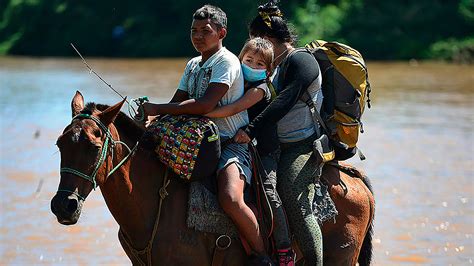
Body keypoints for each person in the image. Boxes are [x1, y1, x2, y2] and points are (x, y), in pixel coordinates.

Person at [140, 5, 268, 260]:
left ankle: (261, 254)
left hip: (230, 142)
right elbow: (177, 101)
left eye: (205, 31)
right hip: (198, 138)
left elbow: (204, 105)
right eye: (194, 30)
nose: (198, 36)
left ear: (222, 32)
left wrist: (157, 107)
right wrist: (151, 117)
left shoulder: (227, 62)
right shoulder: (193, 64)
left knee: (230, 198)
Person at [232, 2, 324, 265]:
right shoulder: (268, 64)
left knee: (293, 195)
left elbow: (282, 102)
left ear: (268, 39)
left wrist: (249, 130)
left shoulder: (301, 61)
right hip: (270, 142)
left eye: (255, 39)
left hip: (301, 145)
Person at [205, 37, 294, 266]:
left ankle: (284, 250)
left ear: (268, 69)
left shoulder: (260, 89)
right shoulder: (233, 81)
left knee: (269, 192)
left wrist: (200, 112)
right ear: (239, 59)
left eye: (259, 64)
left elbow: (234, 109)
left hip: (265, 150)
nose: (252, 66)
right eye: (249, 60)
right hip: (238, 143)